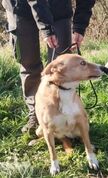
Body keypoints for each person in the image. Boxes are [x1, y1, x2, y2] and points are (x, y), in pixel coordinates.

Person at [2, 0, 96, 133]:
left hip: (59, 9)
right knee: (29, 64)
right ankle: (36, 115)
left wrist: (80, 26)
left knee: (62, 67)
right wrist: (46, 28)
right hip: (20, 8)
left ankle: (64, 115)